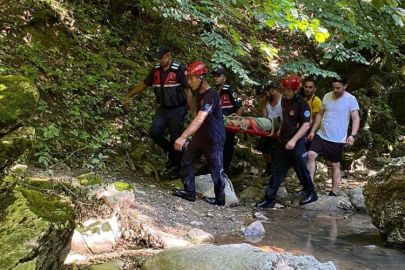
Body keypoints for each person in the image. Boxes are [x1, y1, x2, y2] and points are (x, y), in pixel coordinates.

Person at [123, 45, 196, 180]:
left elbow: (188, 92)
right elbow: (144, 84)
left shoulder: (179, 70)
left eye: (161, 58)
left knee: (176, 139)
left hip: (177, 109)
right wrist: (129, 95)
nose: (159, 61)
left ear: (168, 56)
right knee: (155, 132)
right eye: (157, 58)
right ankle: (171, 153)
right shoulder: (156, 71)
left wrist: (193, 113)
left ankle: (178, 168)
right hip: (162, 109)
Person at [256, 75, 318, 208]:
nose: (286, 92)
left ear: (295, 90)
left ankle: (311, 192)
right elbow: (285, 118)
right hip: (282, 142)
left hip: (296, 143)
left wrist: (294, 140)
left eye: (289, 90)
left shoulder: (302, 104)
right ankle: (269, 198)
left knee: (301, 169)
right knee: (276, 170)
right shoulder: (285, 101)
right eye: (285, 90)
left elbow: (306, 125)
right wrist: (280, 132)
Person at [172, 61, 226, 206]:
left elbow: (200, 118)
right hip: (201, 136)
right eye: (188, 78)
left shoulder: (211, 95)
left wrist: (183, 136)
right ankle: (189, 192)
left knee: (216, 169)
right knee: (187, 160)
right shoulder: (199, 93)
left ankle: (220, 200)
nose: (189, 82)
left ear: (201, 77)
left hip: (214, 138)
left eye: (191, 78)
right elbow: (197, 115)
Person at [307, 77, 360, 196]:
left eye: (338, 88)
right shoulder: (327, 96)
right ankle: (309, 187)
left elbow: (356, 118)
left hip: (338, 138)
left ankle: (334, 191)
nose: (335, 90)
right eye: (333, 88)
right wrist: (312, 131)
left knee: (334, 165)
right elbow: (320, 115)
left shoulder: (351, 99)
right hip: (322, 134)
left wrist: (352, 135)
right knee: (310, 155)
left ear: (345, 86)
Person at [212, 66, 243, 173]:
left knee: (227, 145)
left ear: (224, 78)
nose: (216, 78)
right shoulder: (212, 92)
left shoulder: (230, 90)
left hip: (229, 124)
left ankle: (225, 167)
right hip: (215, 124)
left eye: (218, 76)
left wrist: (237, 122)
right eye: (214, 76)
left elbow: (239, 106)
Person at [255, 79, 282, 177]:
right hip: (270, 126)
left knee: (277, 148)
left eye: (265, 93)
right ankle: (269, 166)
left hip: (281, 126)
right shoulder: (264, 102)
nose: (265, 96)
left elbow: (286, 117)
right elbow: (264, 117)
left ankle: (277, 168)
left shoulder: (282, 101)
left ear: (271, 90)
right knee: (264, 146)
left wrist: (280, 130)